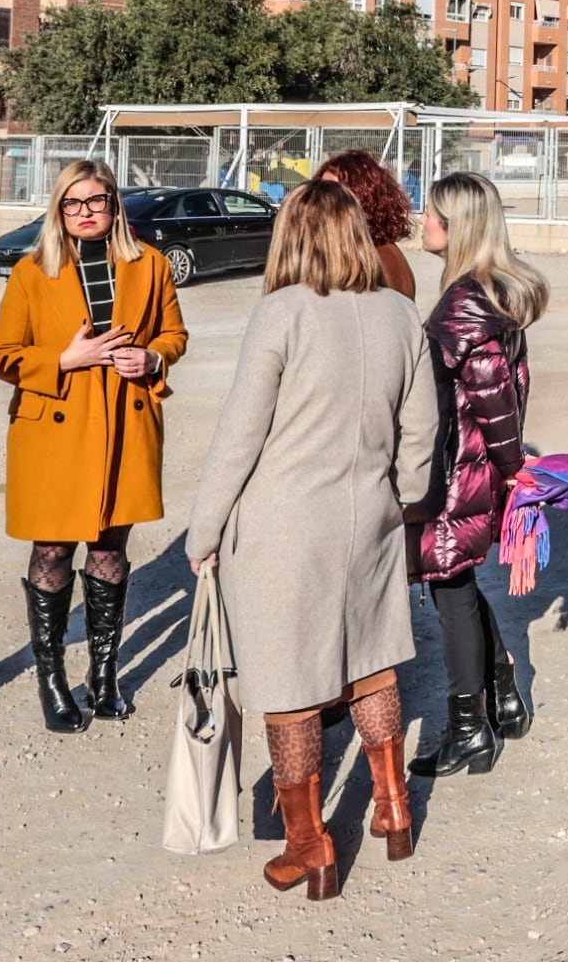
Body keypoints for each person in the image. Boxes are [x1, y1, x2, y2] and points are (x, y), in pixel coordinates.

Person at [187, 180, 439, 901]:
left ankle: (311, 845)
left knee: (292, 687)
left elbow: (241, 435)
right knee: (371, 661)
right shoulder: (399, 313)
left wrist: (203, 532)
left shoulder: (283, 312)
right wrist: (402, 496)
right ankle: (392, 809)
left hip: (284, 525)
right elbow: (421, 432)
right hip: (369, 517)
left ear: (291, 237)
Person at [0, 160, 188, 734]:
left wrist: (152, 357)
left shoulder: (148, 265)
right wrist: (62, 360)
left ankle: (104, 675)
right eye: (73, 204)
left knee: (108, 548)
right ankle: (52, 679)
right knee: (52, 552)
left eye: (95, 201)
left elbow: (174, 333)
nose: (84, 213)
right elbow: (2, 355)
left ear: (114, 204)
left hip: (126, 422)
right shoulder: (32, 271)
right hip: (54, 428)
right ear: (58, 210)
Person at [408, 171, 545, 779]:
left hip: (458, 473)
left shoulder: (465, 303)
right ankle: (504, 694)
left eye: (432, 213)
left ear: (457, 226)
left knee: (450, 589)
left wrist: (515, 473)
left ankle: (469, 731)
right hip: (467, 467)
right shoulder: (479, 294)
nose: (422, 220)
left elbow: (495, 401)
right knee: (455, 584)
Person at [316, 149, 417, 300]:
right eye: (319, 192)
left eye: (331, 194)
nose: (319, 203)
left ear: (361, 198)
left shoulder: (370, 260)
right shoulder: (383, 251)